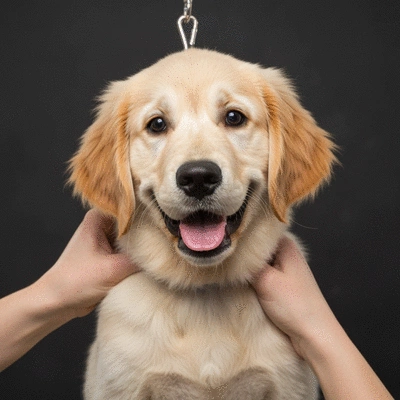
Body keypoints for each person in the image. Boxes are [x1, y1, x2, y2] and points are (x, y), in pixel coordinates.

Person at [0, 211, 393, 399]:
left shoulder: (289, 313)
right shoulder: (122, 324)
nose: (197, 166)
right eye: (157, 125)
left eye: (235, 118)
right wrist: (53, 295)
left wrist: (314, 330)